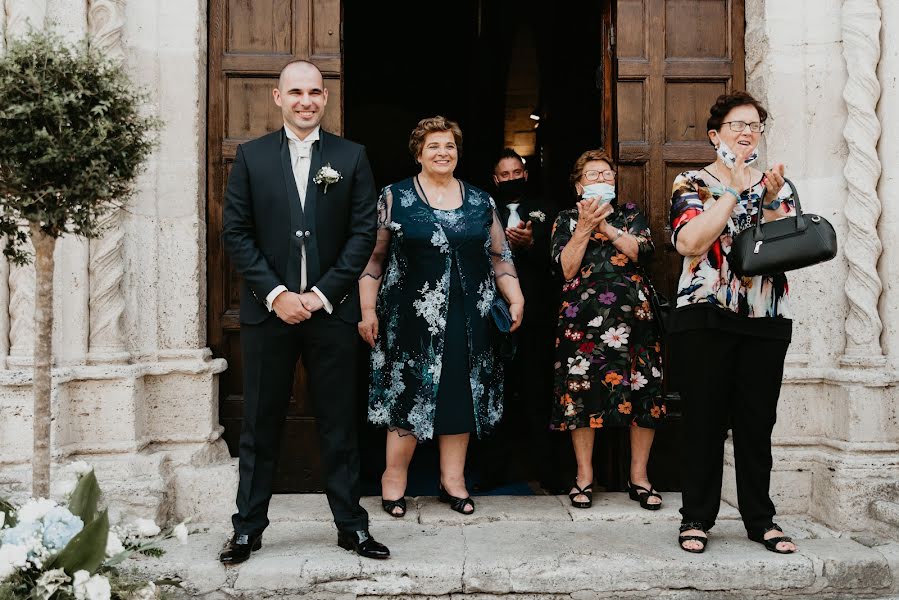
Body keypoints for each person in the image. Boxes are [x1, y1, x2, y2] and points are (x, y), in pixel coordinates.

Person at [220, 60, 389, 563]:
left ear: (325, 98)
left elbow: (363, 234)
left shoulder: (351, 156)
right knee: (261, 424)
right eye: (296, 92)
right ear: (278, 98)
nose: (306, 101)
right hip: (267, 313)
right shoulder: (250, 158)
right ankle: (248, 529)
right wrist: (277, 294)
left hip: (331, 314)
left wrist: (318, 296)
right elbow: (236, 232)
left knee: (339, 423)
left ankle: (351, 527)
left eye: (314, 92)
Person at [359, 116, 524, 517]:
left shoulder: (481, 200)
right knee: (407, 393)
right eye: (433, 146)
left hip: (470, 318)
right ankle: (393, 478)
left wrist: (515, 297)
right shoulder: (394, 196)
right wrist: (366, 309)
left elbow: (500, 255)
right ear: (418, 152)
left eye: (449, 146)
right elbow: (374, 258)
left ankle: (453, 480)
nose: (442, 152)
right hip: (409, 320)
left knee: (460, 395)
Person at [669, 91, 797, 554]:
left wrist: (766, 201)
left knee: (756, 422)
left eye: (755, 126)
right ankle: (696, 518)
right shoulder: (690, 182)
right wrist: (734, 193)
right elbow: (690, 242)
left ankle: (760, 519)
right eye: (738, 125)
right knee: (703, 419)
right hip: (705, 315)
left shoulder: (773, 184)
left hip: (765, 315)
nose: (748, 133)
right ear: (715, 135)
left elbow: (788, 244)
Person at [550, 149, 667, 511]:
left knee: (643, 394)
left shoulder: (630, 215)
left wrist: (607, 228)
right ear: (577, 186)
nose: (601, 180)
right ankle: (584, 477)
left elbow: (642, 252)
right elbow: (566, 268)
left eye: (606, 175)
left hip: (634, 321)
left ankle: (639, 477)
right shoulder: (566, 219)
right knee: (581, 397)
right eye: (592, 175)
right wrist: (585, 228)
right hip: (582, 322)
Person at [475, 149, 564, 492]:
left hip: (539, 315)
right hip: (491, 315)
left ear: (525, 173)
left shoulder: (548, 208)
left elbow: (561, 259)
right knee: (493, 392)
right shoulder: (482, 208)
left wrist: (532, 244)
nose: (512, 178)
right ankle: (492, 470)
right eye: (505, 174)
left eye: (517, 171)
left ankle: (547, 470)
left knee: (538, 392)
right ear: (496, 179)